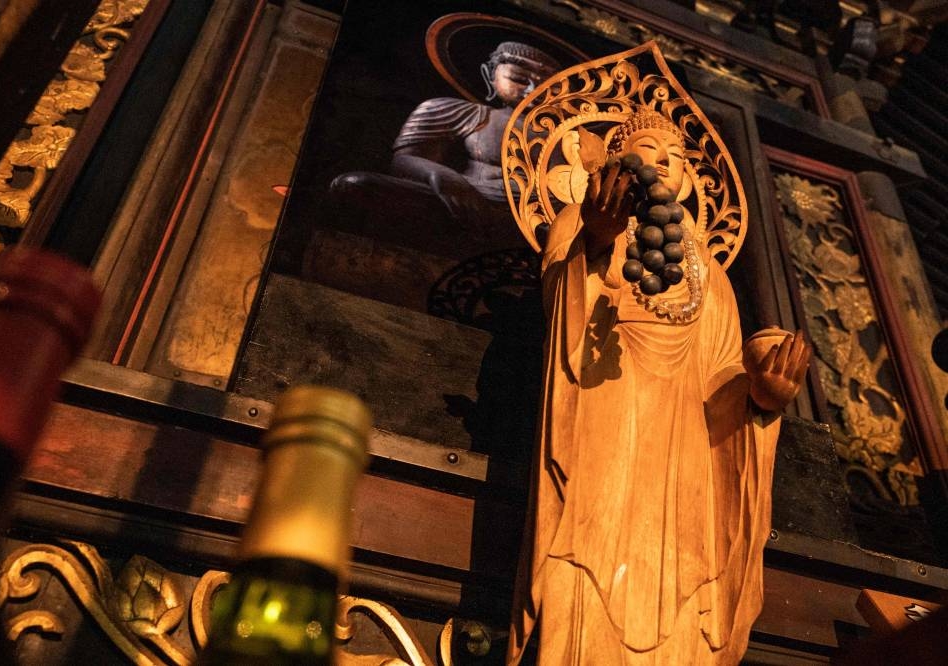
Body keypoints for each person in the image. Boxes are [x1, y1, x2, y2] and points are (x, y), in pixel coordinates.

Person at [508, 108, 811, 664]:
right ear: (617, 160)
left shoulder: (711, 274)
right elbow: (563, 310)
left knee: (677, 600)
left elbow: (720, 372)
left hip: (684, 455)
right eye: (649, 148)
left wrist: (759, 396)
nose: (665, 160)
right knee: (584, 573)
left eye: (677, 157)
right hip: (603, 422)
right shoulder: (581, 219)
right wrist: (597, 240)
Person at [329, 42, 560, 242]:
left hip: (537, 220)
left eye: (548, 86)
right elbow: (404, 160)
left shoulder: (569, 138)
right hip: (470, 199)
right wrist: (442, 176)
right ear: (490, 76)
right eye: (519, 79)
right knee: (355, 184)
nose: (532, 90)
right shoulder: (468, 113)